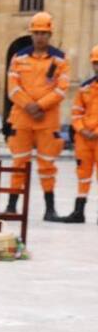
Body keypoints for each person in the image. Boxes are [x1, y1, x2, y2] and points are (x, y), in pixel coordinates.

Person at [6, 11, 69, 221]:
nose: (40, 36)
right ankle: (11, 206)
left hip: (47, 122)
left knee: (48, 165)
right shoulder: (18, 58)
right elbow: (12, 88)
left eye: (43, 33)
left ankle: (49, 209)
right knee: (18, 163)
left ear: (50, 34)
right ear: (31, 34)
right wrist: (29, 106)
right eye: (36, 32)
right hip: (22, 120)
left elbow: (62, 89)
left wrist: (40, 106)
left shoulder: (60, 59)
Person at [66, 45, 98, 224]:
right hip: (84, 139)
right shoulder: (85, 88)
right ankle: (79, 212)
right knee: (82, 175)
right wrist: (81, 129)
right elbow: (76, 112)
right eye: (96, 63)